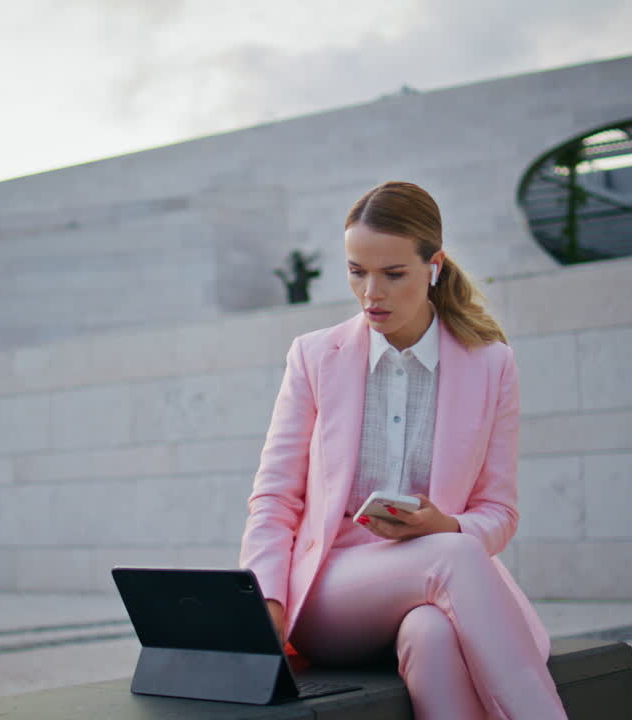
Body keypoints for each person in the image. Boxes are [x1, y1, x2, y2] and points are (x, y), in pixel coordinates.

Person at [239, 181, 568, 719]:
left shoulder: (490, 365)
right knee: (454, 557)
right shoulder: (314, 357)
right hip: (330, 591)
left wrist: (445, 525)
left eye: (393, 274)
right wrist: (267, 602)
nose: (372, 293)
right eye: (356, 271)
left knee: (432, 634)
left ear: (433, 265)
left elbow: (499, 514)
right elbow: (274, 499)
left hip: (434, 590)